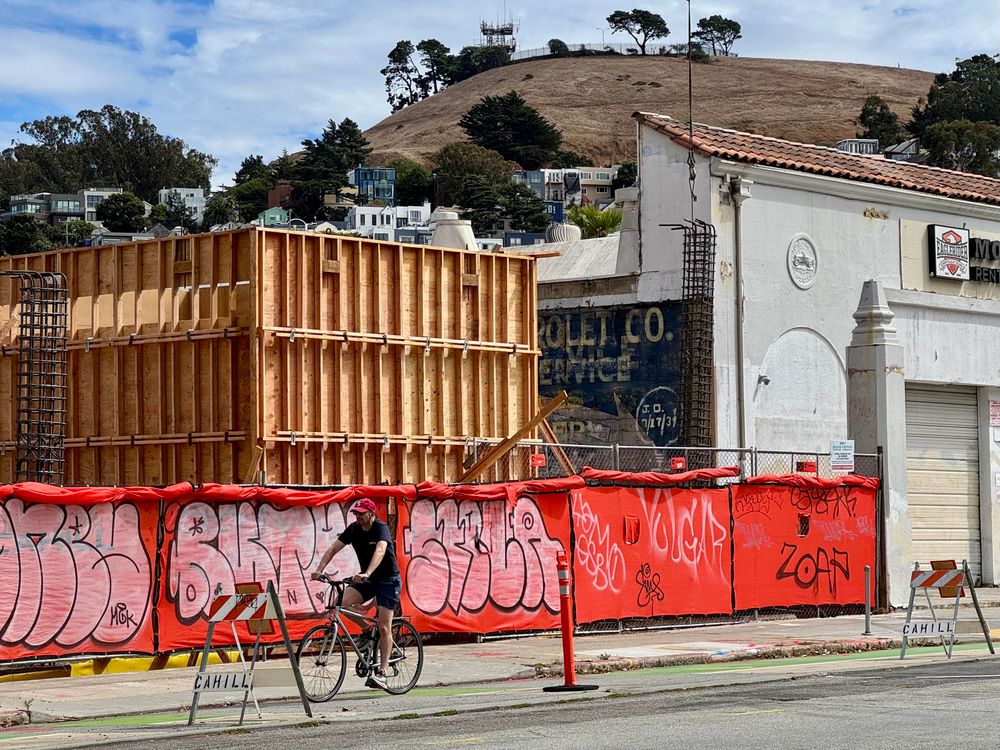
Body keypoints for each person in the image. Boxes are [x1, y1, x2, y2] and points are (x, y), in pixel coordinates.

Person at [311, 497, 400, 689]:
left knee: (384, 627)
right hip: (367, 581)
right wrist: (319, 570)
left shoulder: (380, 528)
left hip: (387, 581)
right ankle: (367, 631)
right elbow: (333, 549)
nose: (358, 516)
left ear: (371, 513)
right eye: (355, 513)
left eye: (361, 513)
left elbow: (380, 550)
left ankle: (383, 672)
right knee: (339, 604)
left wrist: (367, 572)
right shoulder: (354, 529)